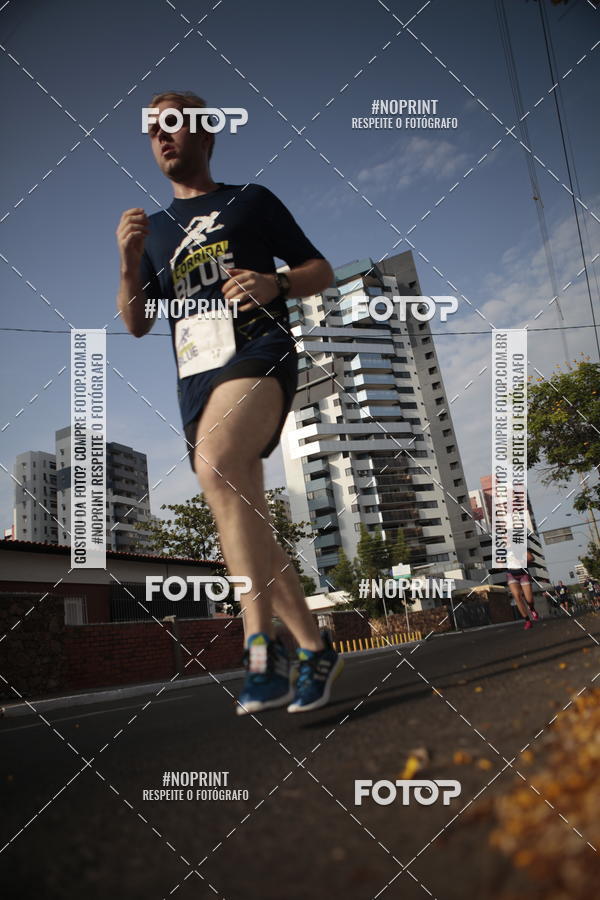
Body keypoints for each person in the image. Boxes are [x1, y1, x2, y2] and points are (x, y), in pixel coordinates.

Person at [116, 91, 344, 715]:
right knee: (244, 512)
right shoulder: (156, 229)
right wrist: (129, 261)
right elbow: (136, 322)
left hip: (260, 348)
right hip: (197, 378)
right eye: (152, 131)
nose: (162, 138)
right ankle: (312, 648)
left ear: (206, 137)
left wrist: (279, 282)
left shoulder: (250, 200)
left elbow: (319, 268)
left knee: (215, 465)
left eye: (173, 125)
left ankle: (260, 653)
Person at [506, 547, 538, 630]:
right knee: (517, 597)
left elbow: (532, 558)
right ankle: (527, 621)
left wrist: (522, 561)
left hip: (523, 574)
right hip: (511, 575)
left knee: (529, 600)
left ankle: (532, 608)